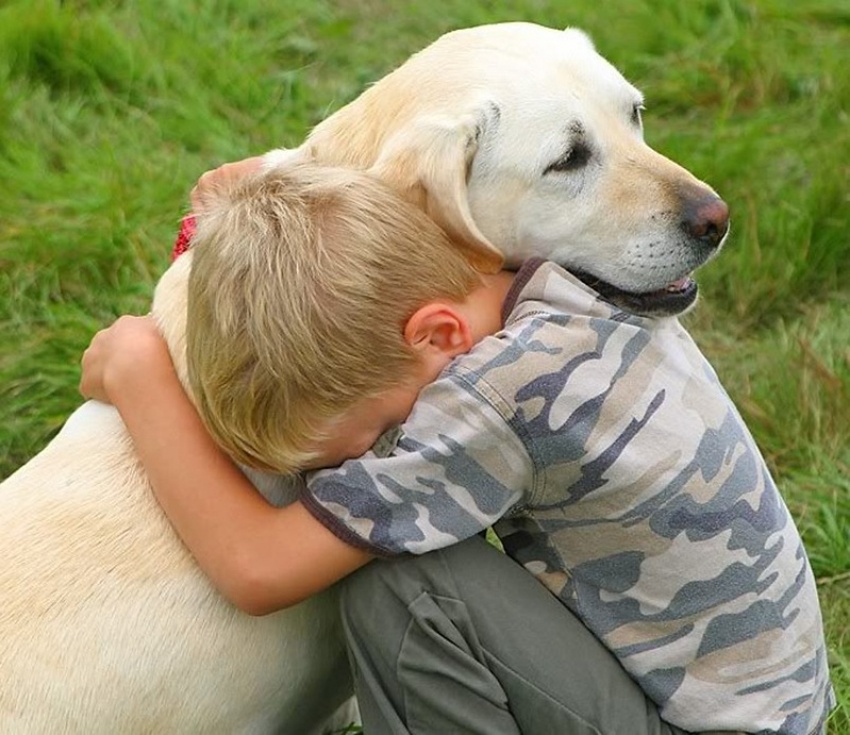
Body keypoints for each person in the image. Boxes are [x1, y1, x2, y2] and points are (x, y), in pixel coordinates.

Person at [81, 159, 834, 735]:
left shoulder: (494, 400)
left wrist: (141, 373)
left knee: (405, 589)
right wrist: (270, 194)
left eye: (377, 437)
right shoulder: (549, 277)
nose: (372, 462)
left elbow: (258, 568)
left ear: (438, 336)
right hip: (764, 707)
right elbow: (381, 224)